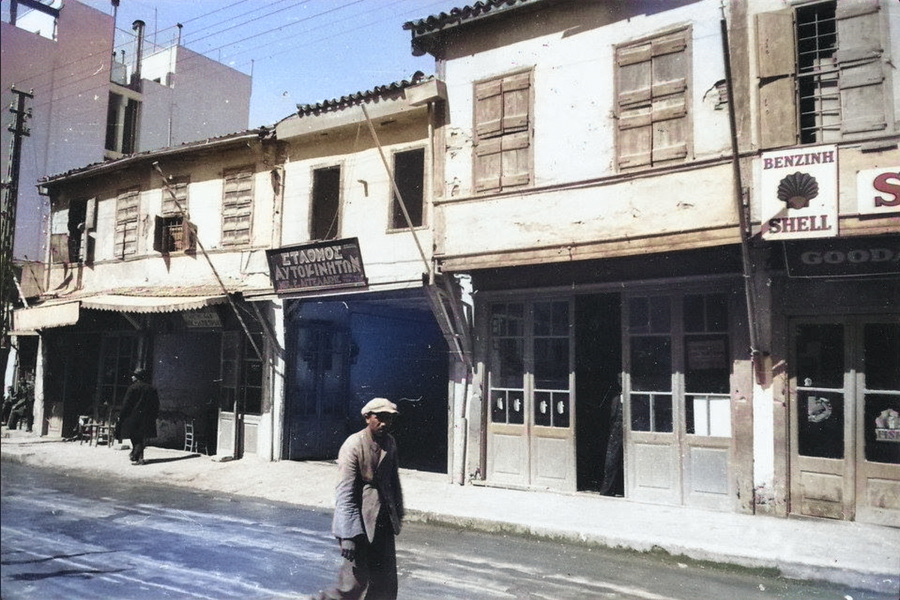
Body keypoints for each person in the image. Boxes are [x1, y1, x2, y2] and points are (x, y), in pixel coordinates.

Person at [312, 398, 404, 600]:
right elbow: (345, 494)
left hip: (382, 522)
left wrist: (398, 515)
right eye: (380, 418)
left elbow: (393, 482)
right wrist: (348, 537)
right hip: (358, 523)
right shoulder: (353, 445)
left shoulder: (390, 443)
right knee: (352, 585)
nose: (385, 423)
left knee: (385, 583)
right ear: (367, 418)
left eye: (389, 418)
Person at [116, 368, 159, 465]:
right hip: (147, 418)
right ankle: (140, 458)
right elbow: (156, 405)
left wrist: (121, 415)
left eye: (134, 375)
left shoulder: (133, 388)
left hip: (133, 417)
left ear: (138, 377)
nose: (132, 377)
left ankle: (135, 455)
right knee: (141, 438)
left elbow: (126, 404)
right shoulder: (151, 389)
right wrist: (154, 416)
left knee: (135, 438)